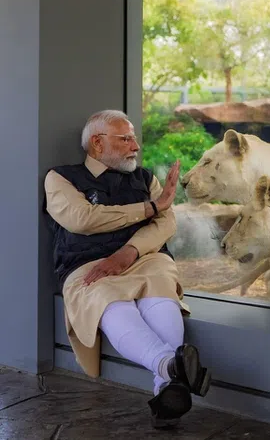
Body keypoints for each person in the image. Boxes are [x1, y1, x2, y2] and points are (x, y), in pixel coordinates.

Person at [43, 109, 211, 429]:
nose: (135, 146)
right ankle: (170, 370)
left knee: (160, 284)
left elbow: (166, 223)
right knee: (106, 299)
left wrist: (129, 251)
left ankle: (167, 380)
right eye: (125, 139)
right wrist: (149, 208)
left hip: (144, 257)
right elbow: (82, 219)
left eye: (134, 138)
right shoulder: (60, 178)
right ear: (97, 143)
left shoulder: (145, 178)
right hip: (86, 265)